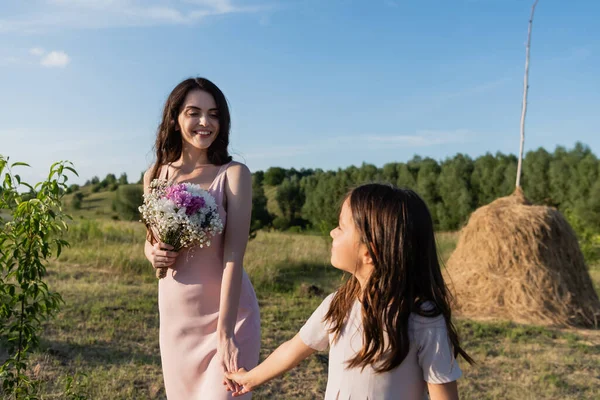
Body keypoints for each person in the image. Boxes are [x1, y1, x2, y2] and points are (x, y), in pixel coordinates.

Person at [226, 184, 473, 399]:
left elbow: (443, 393)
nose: (333, 232)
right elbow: (294, 349)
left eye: (341, 227)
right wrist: (251, 378)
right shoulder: (338, 304)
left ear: (370, 253)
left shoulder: (422, 318)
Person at [143, 77, 260, 399]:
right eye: (194, 112)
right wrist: (151, 253)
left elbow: (234, 256)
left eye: (215, 114)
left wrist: (225, 333)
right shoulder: (156, 174)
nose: (205, 123)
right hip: (176, 319)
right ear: (175, 117)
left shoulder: (234, 174)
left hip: (228, 319)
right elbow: (151, 239)